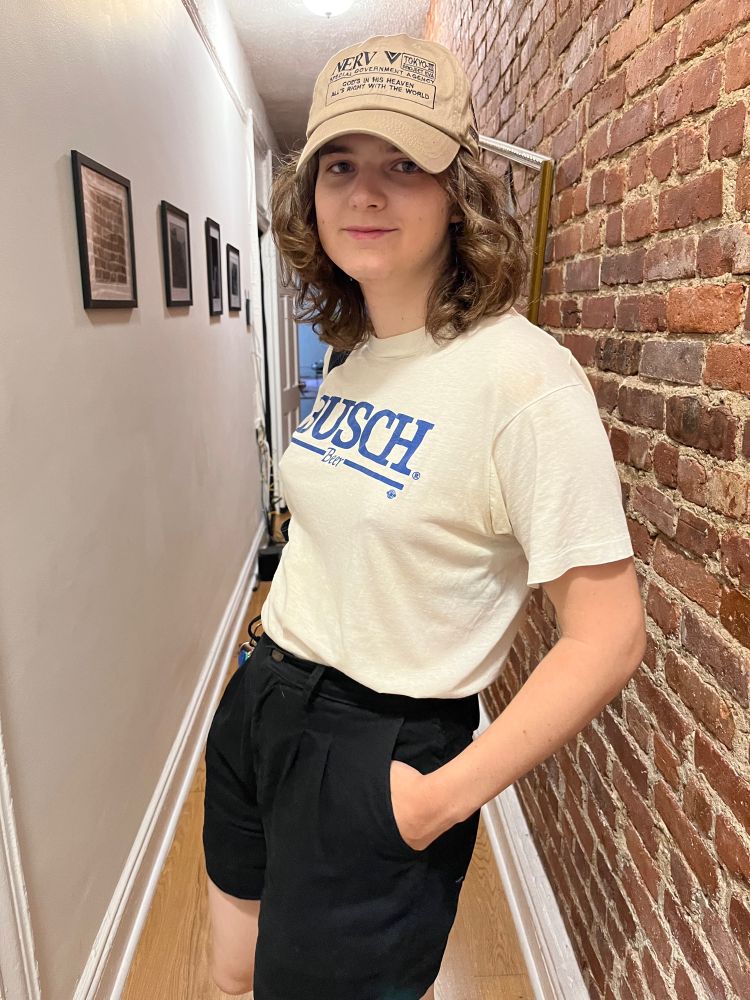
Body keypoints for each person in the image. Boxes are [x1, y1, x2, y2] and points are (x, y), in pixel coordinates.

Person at [202, 32, 646, 1000]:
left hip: (383, 743)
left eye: (406, 165)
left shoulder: (521, 376)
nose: (367, 193)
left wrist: (438, 799)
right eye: (341, 166)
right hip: (265, 696)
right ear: (309, 196)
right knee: (234, 973)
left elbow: (608, 637)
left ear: (459, 196)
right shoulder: (358, 351)